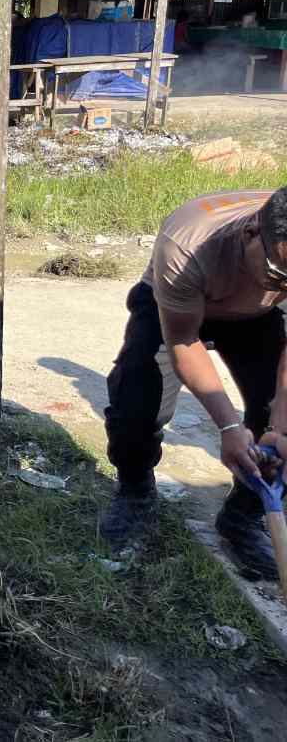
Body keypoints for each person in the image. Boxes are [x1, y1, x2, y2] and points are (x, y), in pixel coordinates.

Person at [102, 188, 287, 580]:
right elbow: (184, 342)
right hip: (174, 308)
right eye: (279, 275)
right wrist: (228, 426)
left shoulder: (277, 260)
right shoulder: (186, 245)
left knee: (281, 418)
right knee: (136, 401)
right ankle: (135, 491)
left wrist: (279, 426)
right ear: (251, 233)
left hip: (257, 315)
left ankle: (242, 516)